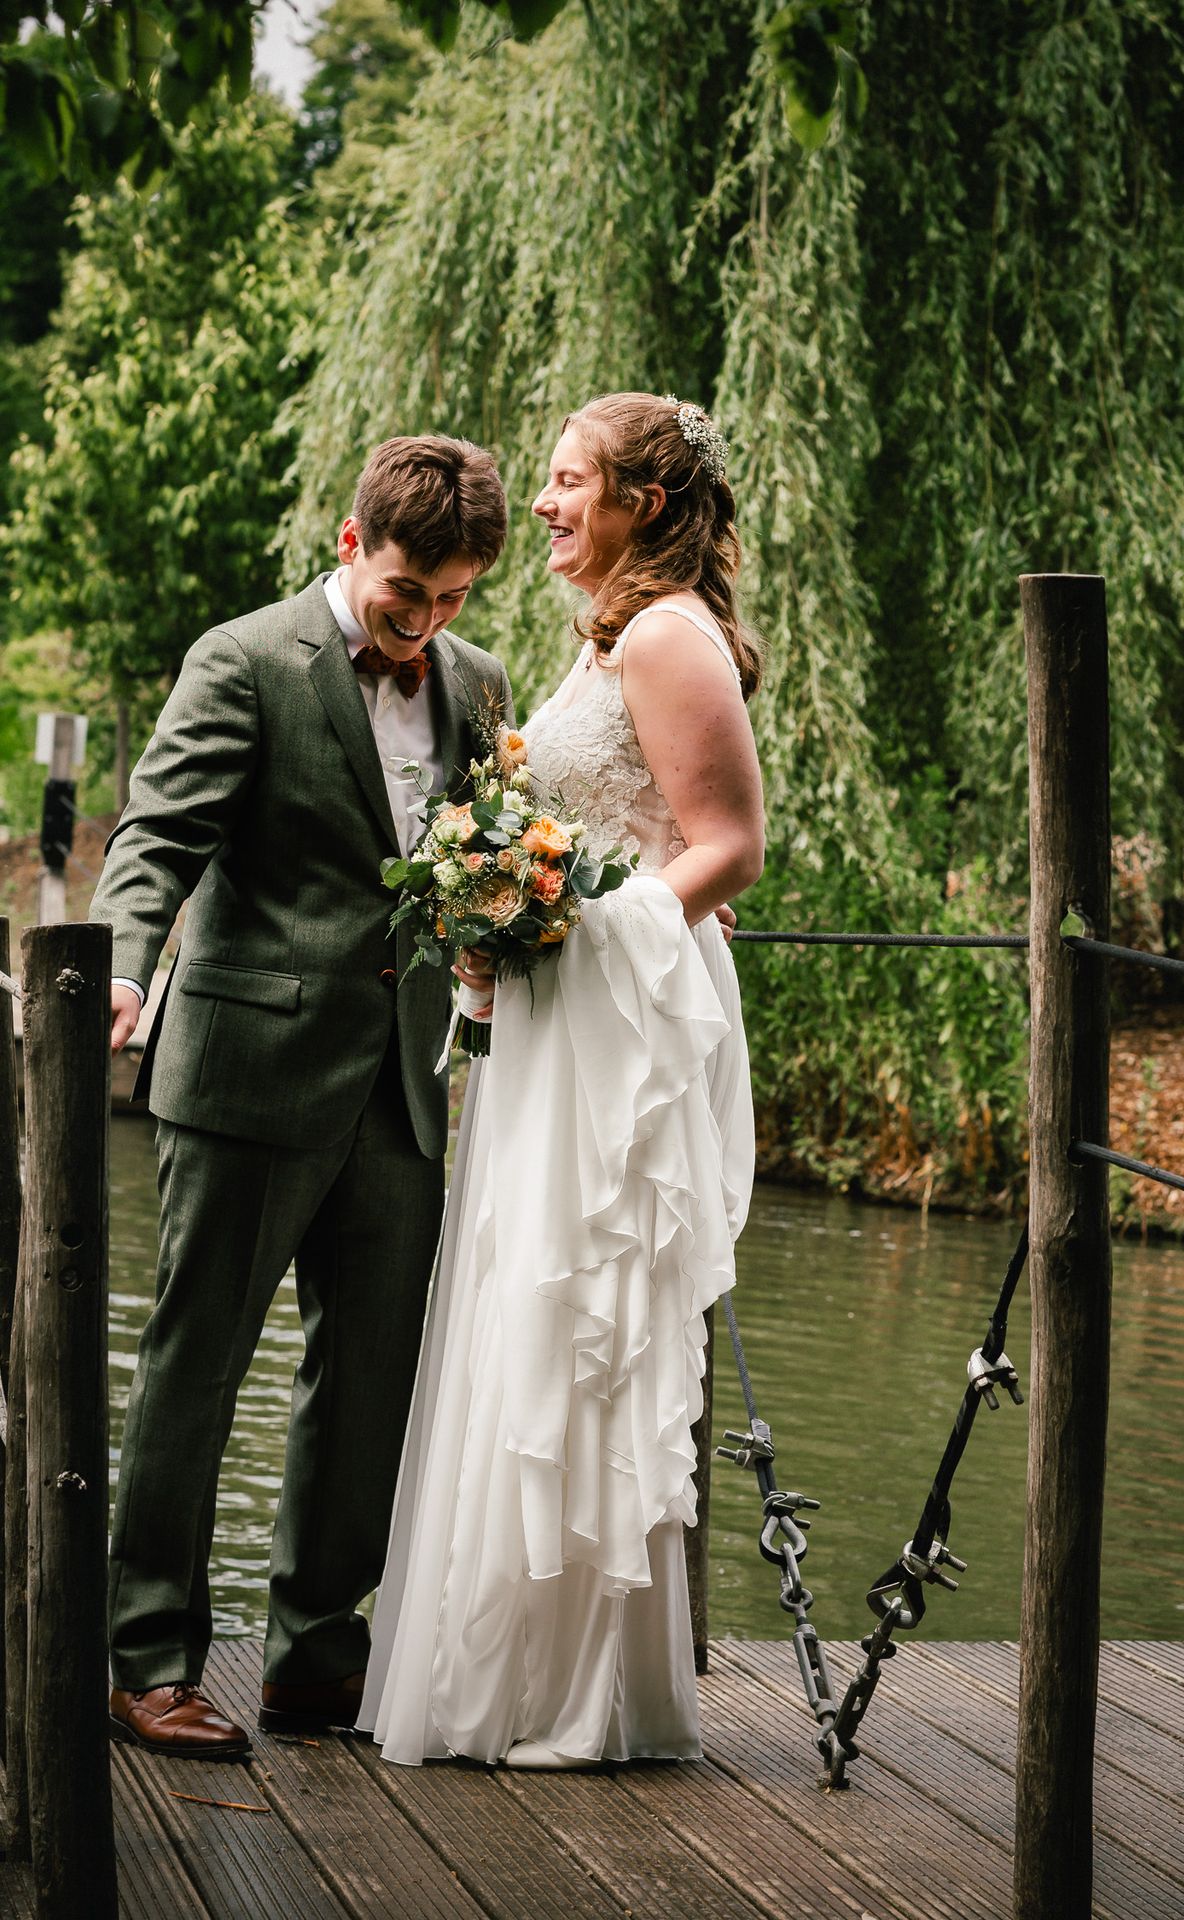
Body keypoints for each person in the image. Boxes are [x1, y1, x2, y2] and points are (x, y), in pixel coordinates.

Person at [359, 391, 766, 1769]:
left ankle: (585, 1693)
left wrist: (565, 925)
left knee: (585, 1319)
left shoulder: (665, 634)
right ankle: (513, 1674)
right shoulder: (611, 635)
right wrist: (497, 921)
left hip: (618, 1023)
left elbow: (726, 847)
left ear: (641, 503)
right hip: (556, 1018)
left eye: (565, 478)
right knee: (530, 1317)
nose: (541, 502)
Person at [91, 435, 512, 1757]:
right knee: (194, 1372)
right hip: (246, 1074)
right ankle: (148, 1655)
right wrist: (111, 966)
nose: (427, 623)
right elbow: (160, 832)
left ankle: (317, 1659)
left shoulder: (479, 683)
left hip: (402, 1085)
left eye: (452, 601)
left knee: (369, 1381)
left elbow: (495, 861)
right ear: (351, 544)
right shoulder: (244, 658)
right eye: (408, 596)